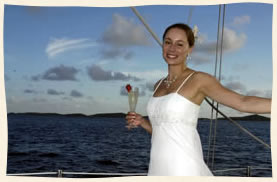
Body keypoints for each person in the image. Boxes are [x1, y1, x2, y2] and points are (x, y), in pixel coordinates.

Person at [125, 23, 271, 176]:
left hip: (184, 168)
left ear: (190, 49)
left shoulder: (199, 80)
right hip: (157, 168)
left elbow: (243, 102)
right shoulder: (158, 85)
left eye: (180, 44)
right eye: (168, 42)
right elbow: (163, 132)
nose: (172, 48)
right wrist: (142, 122)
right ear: (163, 45)